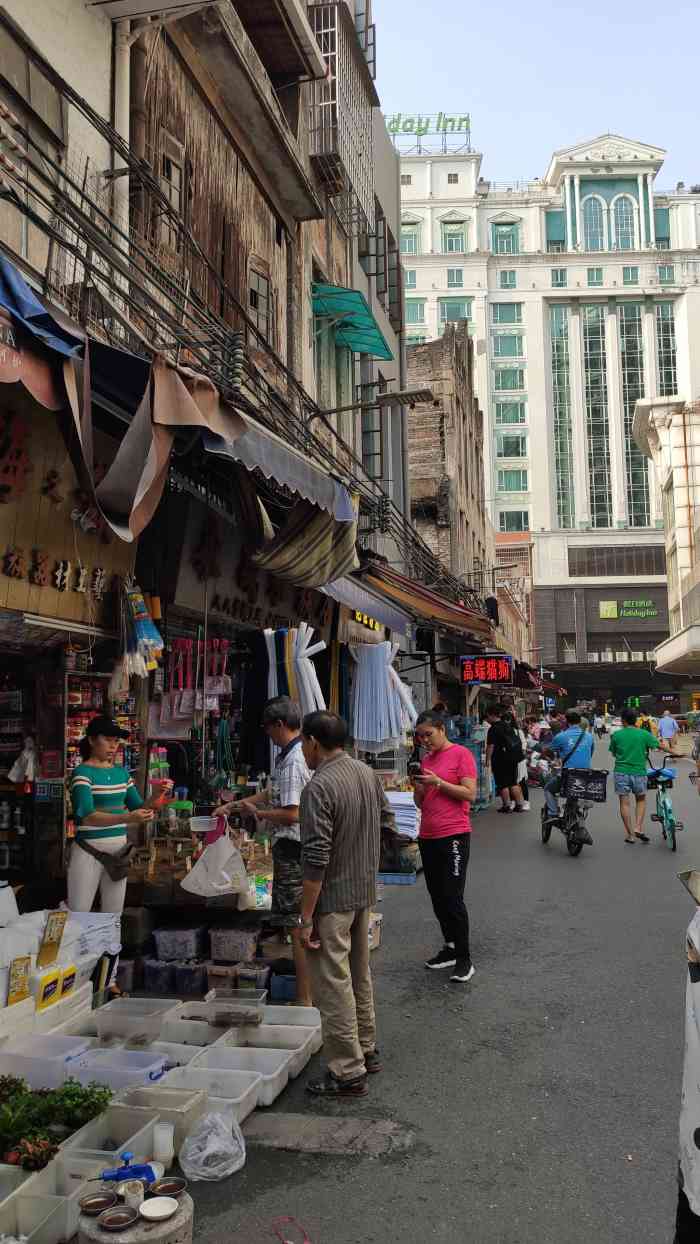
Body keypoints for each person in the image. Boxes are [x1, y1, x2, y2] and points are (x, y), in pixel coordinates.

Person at [297, 711, 397, 1099]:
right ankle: (366, 1049)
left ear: (313, 743)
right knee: (359, 973)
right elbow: (389, 822)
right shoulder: (365, 772)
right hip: (363, 892)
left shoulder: (318, 787)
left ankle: (347, 1070)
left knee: (333, 984)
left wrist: (305, 916)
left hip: (333, 900)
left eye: (304, 743)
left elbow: (316, 858)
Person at [215, 695, 313, 1006]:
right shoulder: (292, 755)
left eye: (269, 730)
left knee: (296, 923)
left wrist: (258, 814)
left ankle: (304, 997)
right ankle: (308, 992)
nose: (268, 737)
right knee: (297, 921)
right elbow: (275, 791)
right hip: (293, 844)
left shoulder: (295, 760)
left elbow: (293, 812)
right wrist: (238, 804)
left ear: (280, 725)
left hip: (294, 845)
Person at [69, 715, 159, 915]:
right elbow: (87, 816)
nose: (113, 745)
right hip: (88, 851)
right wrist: (127, 818)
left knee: (113, 914)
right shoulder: (82, 773)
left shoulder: (122, 773)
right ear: (92, 740)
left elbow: (139, 806)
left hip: (118, 852)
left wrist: (158, 795)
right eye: (107, 739)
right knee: (79, 912)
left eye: (116, 740)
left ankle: (109, 947)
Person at [412, 710, 477, 984]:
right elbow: (420, 803)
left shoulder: (461, 754)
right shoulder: (426, 760)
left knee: (453, 897)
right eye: (420, 737)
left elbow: (469, 793)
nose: (425, 741)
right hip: (428, 834)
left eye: (429, 734)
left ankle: (464, 959)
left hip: (453, 835)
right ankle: (450, 947)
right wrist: (419, 786)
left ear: (442, 729)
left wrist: (439, 782)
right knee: (437, 896)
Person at [609, 706, 668, 844]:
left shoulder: (617, 735)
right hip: (639, 772)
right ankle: (638, 827)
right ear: (636, 720)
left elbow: (613, 753)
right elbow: (659, 746)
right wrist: (674, 751)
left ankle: (630, 835)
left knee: (624, 803)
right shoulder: (643, 734)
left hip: (621, 772)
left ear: (623, 720)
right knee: (640, 800)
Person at [542, 709, 595, 844]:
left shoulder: (561, 736)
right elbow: (590, 752)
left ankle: (553, 814)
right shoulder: (589, 736)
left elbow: (549, 751)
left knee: (548, 788)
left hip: (568, 776)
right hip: (584, 776)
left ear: (566, 721)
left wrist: (547, 756)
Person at [485, 708, 525, 813]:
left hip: (500, 759)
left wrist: (487, 760)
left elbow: (490, 746)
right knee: (513, 781)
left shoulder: (493, 729)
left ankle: (506, 806)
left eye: (488, 716)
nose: (487, 718)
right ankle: (519, 804)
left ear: (492, 715)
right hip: (512, 758)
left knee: (502, 783)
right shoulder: (507, 726)